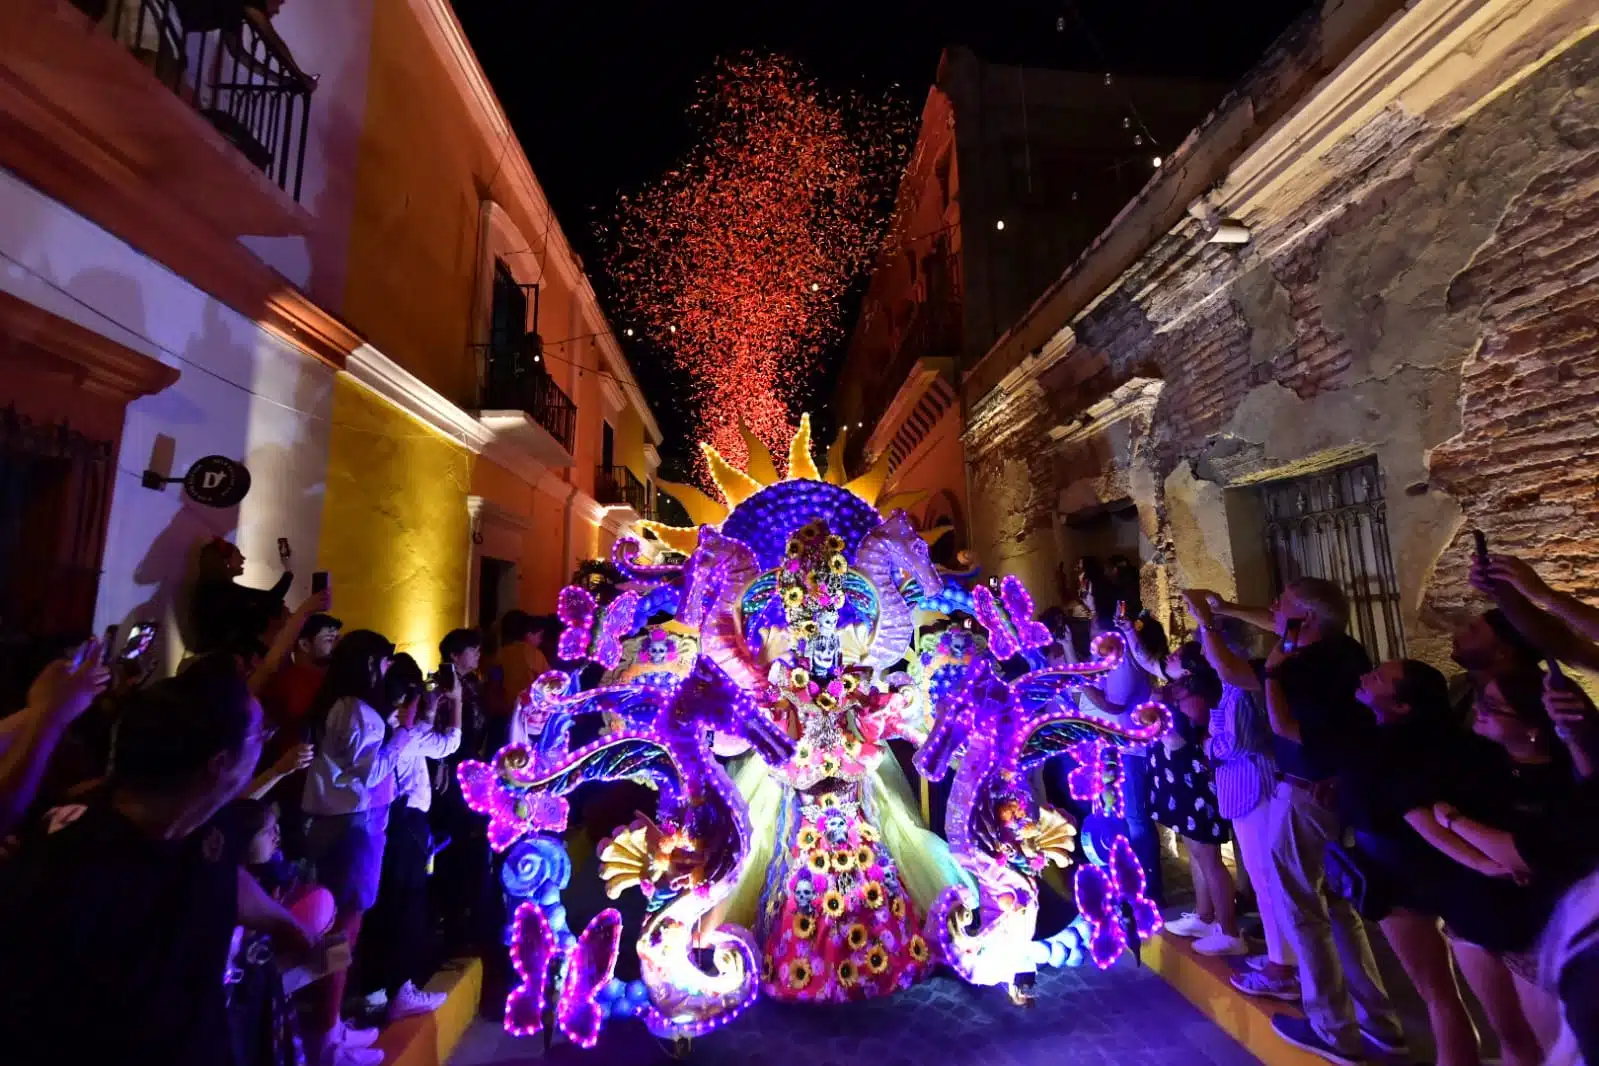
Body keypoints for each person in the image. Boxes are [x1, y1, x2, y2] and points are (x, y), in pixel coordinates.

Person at [0, 655, 313, 1065]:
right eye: (259, 736)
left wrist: (282, 922)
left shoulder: (205, 826)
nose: (265, 742)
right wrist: (47, 719)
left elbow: (223, 881)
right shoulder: (69, 877)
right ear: (219, 764)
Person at [1206, 579, 1403, 1064]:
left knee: (1300, 905)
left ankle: (1333, 1028)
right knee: (1337, 907)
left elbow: (1233, 673)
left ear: (1307, 620)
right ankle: (1379, 1023)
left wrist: (1207, 621)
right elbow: (1277, 621)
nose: (1273, 607)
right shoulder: (1344, 651)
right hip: (1333, 788)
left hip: (1305, 791)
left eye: (1284, 602)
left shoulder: (1299, 664)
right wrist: (1229, 606)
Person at [300, 630, 419, 1064]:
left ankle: (330, 1026)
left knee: (343, 927)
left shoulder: (349, 709)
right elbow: (371, 773)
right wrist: (403, 733)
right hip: (353, 825)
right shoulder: (355, 711)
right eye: (384, 662)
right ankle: (325, 1038)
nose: (387, 670)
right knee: (342, 928)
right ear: (368, 664)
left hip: (353, 822)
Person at [358, 655, 458, 1023]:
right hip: (406, 822)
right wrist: (457, 701)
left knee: (384, 906)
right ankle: (401, 990)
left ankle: (375, 991)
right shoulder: (400, 730)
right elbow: (449, 743)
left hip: (380, 823)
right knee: (407, 905)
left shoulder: (374, 723)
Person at [1076, 560, 1166, 906]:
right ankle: (1131, 884)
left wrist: (1081, 679)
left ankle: (1149, 892)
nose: (1095, 646)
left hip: (1134, 748)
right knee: (1123, 816)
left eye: (1098, 639)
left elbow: (1113, 704)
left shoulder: (1125, 656)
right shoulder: (1110, 652)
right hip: (1117, 744)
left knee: (1137, 819)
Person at [1149, 640, 1246, 955]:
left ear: (1192, 668)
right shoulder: (1178, 688)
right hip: (1180, 781)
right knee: (1195, 851)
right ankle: (1205, 916)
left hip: (1195, 783)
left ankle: (1230, 931)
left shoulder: (1195, 698)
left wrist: (1159, 726)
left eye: (1179, 655)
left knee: (1210, 858)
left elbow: (1186, 742)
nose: (1171, 655)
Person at [429, 628, 500, 956]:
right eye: (471, 650)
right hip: (453, 775)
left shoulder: (473, 686)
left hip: (472, 767)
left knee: (471, 843)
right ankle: (452, 916)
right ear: (455, 655)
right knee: (457, 841)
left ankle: (466, 915)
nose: (477, 656)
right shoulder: (446, 690)